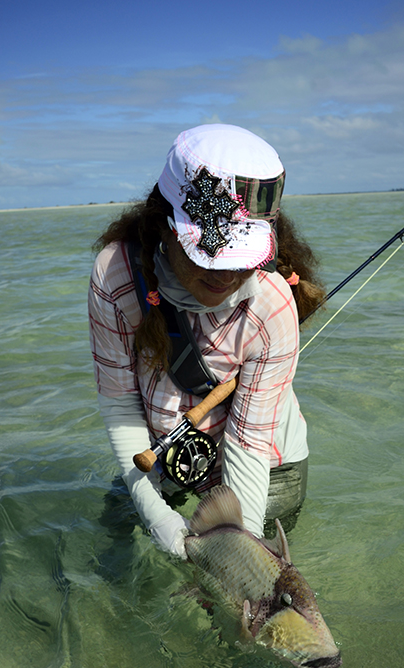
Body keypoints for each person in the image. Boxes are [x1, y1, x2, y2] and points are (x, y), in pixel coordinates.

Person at [88, 123, 325, 558]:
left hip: (268, 466)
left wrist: (239, 553)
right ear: (165, 226)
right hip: (167, 456)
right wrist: (155, 513)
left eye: (244, 257)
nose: (227, 276)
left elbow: (248, 443)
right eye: (210, 255)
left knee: (236, 592)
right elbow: (120, 402)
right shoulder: (114, 275)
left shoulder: (271, 306)